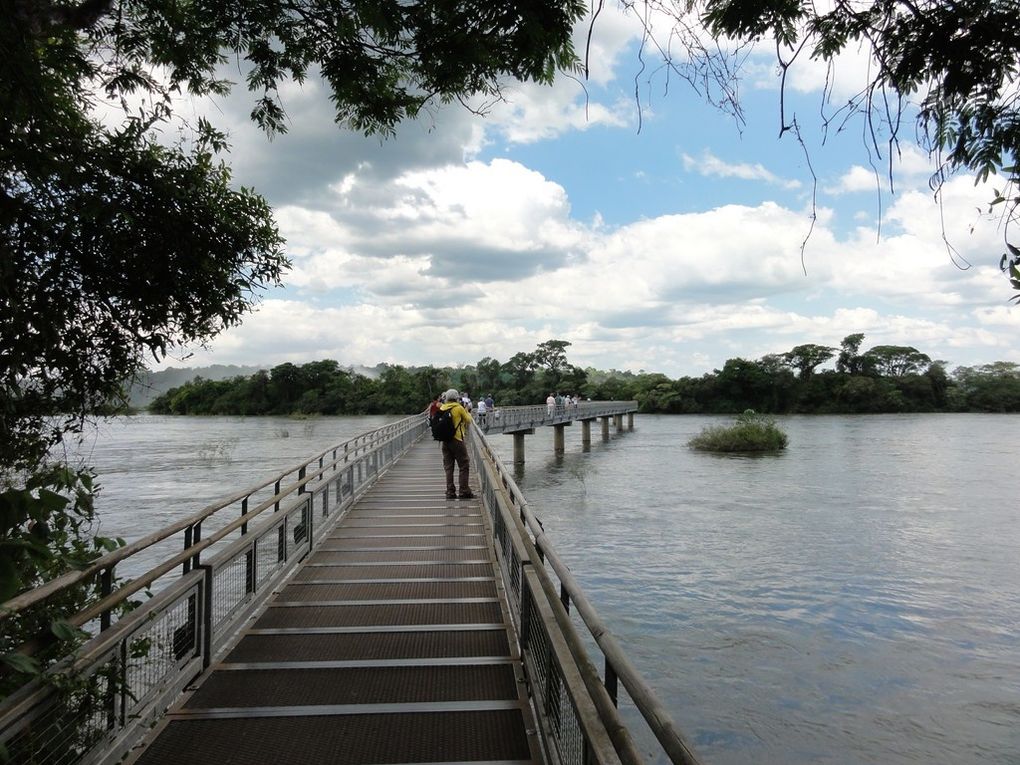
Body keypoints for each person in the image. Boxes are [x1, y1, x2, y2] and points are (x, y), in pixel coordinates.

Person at [439, 388, 474, 500]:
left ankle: (450, 491)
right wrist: (467, 410)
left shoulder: (442, 407)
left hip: (445, 441)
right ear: (456, 398)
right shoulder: (458, 408)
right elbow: (468, 420)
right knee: (464, 465)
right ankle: (463, 491)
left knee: (448, 467)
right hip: (457, 440)